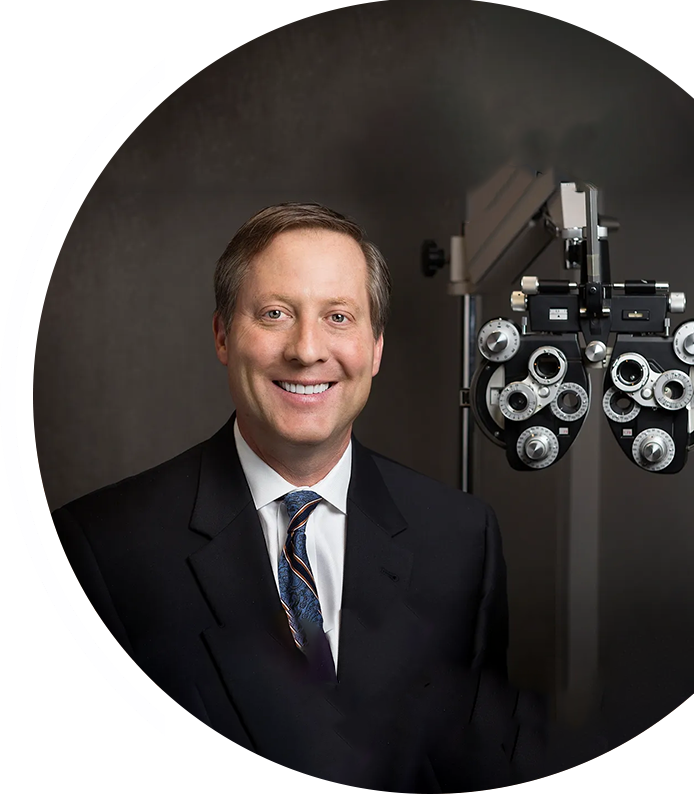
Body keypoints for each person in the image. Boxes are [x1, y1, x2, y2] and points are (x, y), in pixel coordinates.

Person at [52, 202, 517, 789]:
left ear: (375, 347)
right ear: (224, 335)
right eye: (274, 314)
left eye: (340, 318)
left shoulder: (463, 538)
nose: (306, 349)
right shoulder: (102, 546)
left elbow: (475, 764)